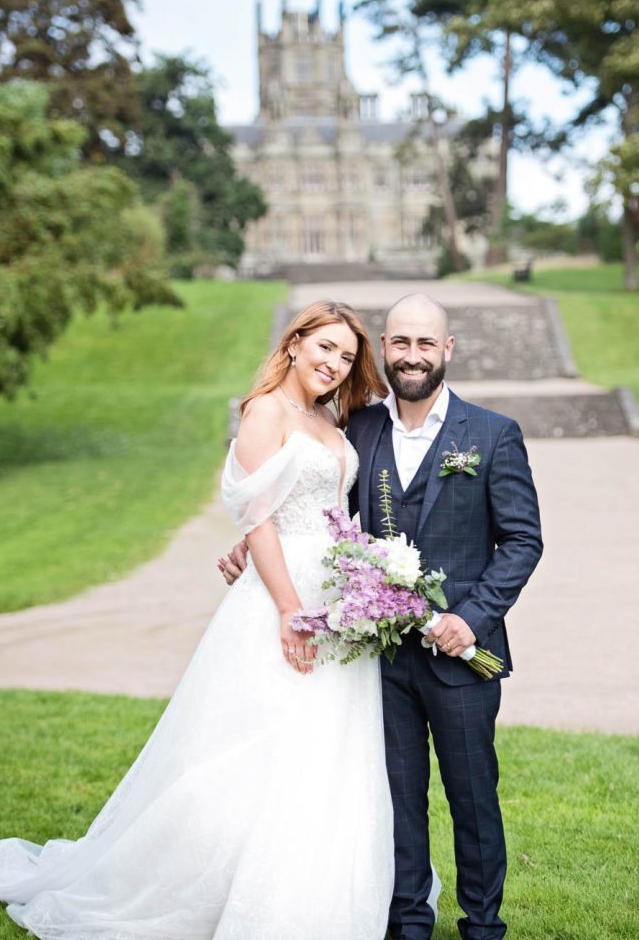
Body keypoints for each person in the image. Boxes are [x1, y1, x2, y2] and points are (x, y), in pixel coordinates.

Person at [0, 300, 394, 940]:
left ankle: (310, 898)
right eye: (325, 348)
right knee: (255, 745)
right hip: (284, 601)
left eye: (346, 357)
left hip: (337, 601)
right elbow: (257, 518)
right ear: (294, 344)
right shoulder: (263, 413)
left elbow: (321, 508)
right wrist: (290, 610)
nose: (335, 365)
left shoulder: (325, 418)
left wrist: (365, 576)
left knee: (328, 749)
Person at [222, 293, 543, 940]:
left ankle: (483, 925)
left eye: (426, 344)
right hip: (379, 652)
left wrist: (472, 619)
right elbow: (319, 510)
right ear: (387, 350)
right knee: (395, 797)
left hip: (459, 653)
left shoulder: (490, 434)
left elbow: (523, 540)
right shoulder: (358, 427)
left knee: (472, 797)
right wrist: (251, 547)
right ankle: (407, 921)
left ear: (446, 350)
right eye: (401, 343)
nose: (413, 356)